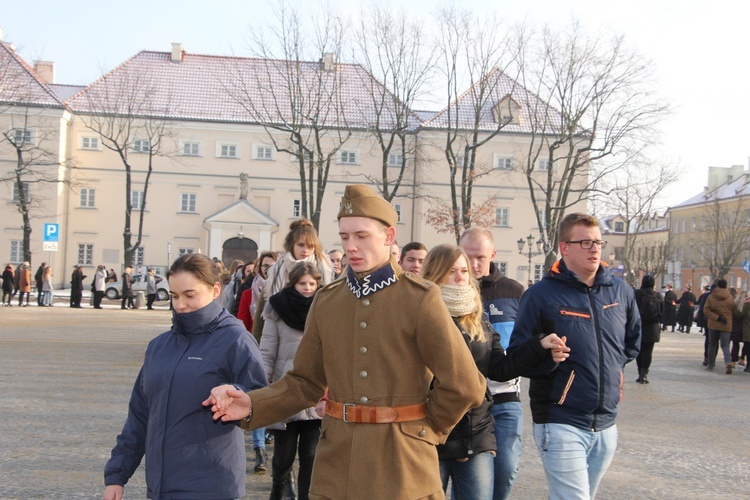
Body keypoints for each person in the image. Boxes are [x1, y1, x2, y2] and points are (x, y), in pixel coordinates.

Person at [204, 184, 486, 498]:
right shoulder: (327, 301)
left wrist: (424, 430)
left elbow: (465, 384)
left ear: (388, 237)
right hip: (336, 469)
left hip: (403, 470)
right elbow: (304, 383)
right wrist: (252, 404)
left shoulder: (419, 299)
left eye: (361, 236)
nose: (351, 246)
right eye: (345, 236)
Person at [102, 253, 268, 500]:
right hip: (161, 486)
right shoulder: (159, 346)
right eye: (174, 296)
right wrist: (117, 475)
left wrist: (234, 392)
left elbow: (262, 397)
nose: (180, 304)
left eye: (190, 295)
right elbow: (139, 416)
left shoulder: (235, 339)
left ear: (215, 290)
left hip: (211, 485)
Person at [507, 212, 641, 500]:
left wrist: (615, 368)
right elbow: (516, 355)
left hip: (606, 424)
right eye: (585, 242)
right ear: (564, 248)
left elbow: (632, 342)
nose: (594, 249)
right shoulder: (541, 295)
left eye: (598, 242)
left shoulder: (620, 291)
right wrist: (544, 351)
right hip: (560, 419)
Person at [421, 244, 570, 499]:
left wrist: (539, 345)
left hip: (474, 431)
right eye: (451, 271)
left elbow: (500, 368)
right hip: (431, 432)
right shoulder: (420, 315)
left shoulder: (477, 316)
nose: (460, 278)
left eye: (464, 271)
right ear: (434, 274)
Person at [459, 226, 525, 500]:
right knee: (468, 475)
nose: (474, 265)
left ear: (493, 255)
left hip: (505, 396)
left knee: (506, 468)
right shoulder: (450, 290)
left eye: (481, 258)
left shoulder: (514, 291)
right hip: (464, 400)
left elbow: (527, 341)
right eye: (468, 257)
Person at [261, 262, 325, 499]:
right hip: (285, 389)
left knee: (310, 455)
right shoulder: (277, 307)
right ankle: (278, 490)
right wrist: (263, 381)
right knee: (283, 456)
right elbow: (267, 348)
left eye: (312, 283)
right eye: (302, 283)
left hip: (316, 391)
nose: (308, 288)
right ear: (293, 283)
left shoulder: (326, 307)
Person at [252, 219, 333, 342]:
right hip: (281, 340)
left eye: (310, 246)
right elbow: (262, 317)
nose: (305, 250)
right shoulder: (276, 272)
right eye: (300, 245)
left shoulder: (325, 270)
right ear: (292, 245)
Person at [634, 275, 663, 384]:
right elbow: (662, 312)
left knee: (640, 351)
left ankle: (639, 373)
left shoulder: (637, 294)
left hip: (639, 326)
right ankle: (644, 374)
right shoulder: (658, 295)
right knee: (648, 351)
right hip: (653, 327)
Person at [703, 278, 734, 374]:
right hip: (726, 324)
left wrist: (717, 317)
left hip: (713, 324)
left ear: (717, 286)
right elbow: (733, 310)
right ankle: (728, 362)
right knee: (725, 346)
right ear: (726, 286)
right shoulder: (730, 297)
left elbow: (706, 310)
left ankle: (710, 365)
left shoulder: (711, 297)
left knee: (712, 344)